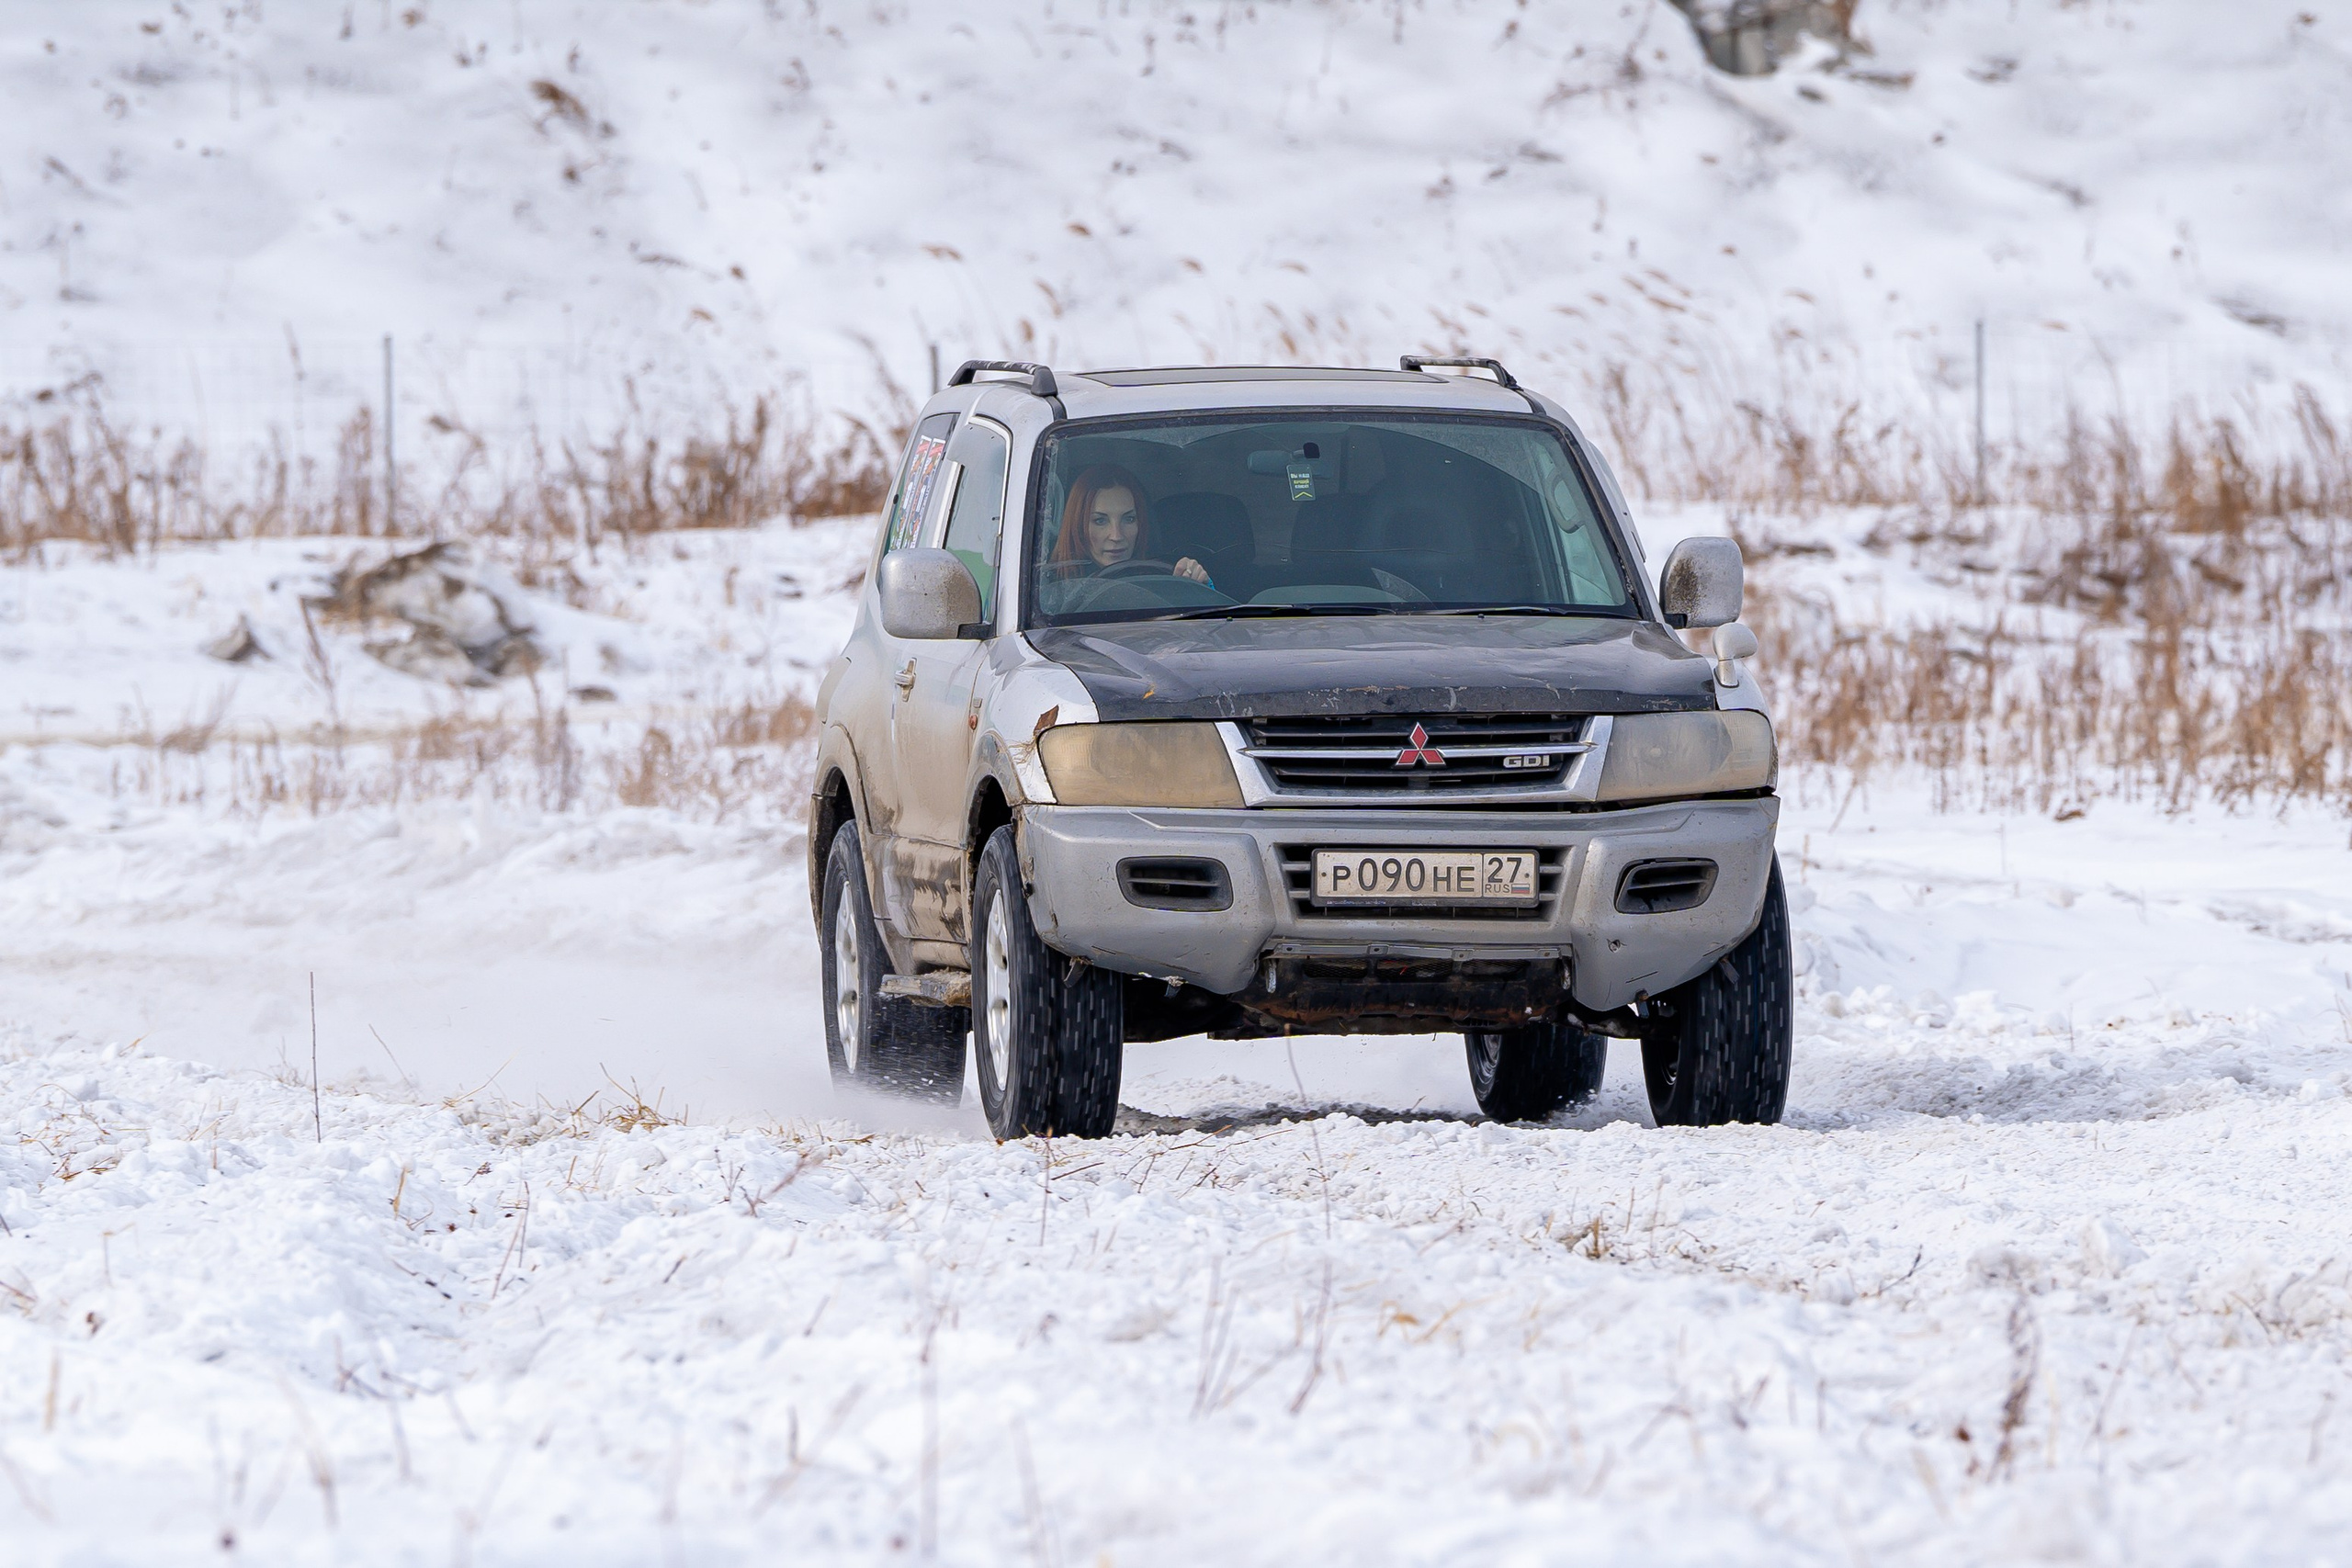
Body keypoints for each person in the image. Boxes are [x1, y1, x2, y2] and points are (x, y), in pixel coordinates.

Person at [1047, 464, 1212, 584]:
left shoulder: (1168, 578)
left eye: (1129, 519)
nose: (1116, 535)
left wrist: (1197, 585)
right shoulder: (1049, 596)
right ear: (1077, 526)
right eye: (1100, 521)